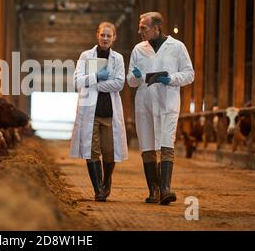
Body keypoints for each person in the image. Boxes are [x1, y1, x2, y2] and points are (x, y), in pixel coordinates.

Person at [127, 12, 194, 205]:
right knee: (147, 148)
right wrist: (136, 76)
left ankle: (165, 189)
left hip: (168, 103)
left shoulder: (177, 47)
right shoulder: (138, 49)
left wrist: (171, 79)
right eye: (140, 27)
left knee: (167, 145)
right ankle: (153, 191)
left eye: (143, 27)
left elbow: (190, 74)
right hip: (145, 104)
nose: (140, 31)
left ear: (156, 28)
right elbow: (130, 81)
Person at [70, 22, 128, 202]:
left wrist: (94, 83)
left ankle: (106, 181)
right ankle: (98, 190)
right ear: (97, 35)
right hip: (90, 112)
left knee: (109, 151)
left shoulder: (118, 58)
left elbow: (119, 83)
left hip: (109, 113)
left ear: (114, 38)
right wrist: (95, 76)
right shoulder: (86, 56)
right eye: (102, 35)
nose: (105, 38)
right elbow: (77, 82)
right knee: (92, 150)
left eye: (108, 36)